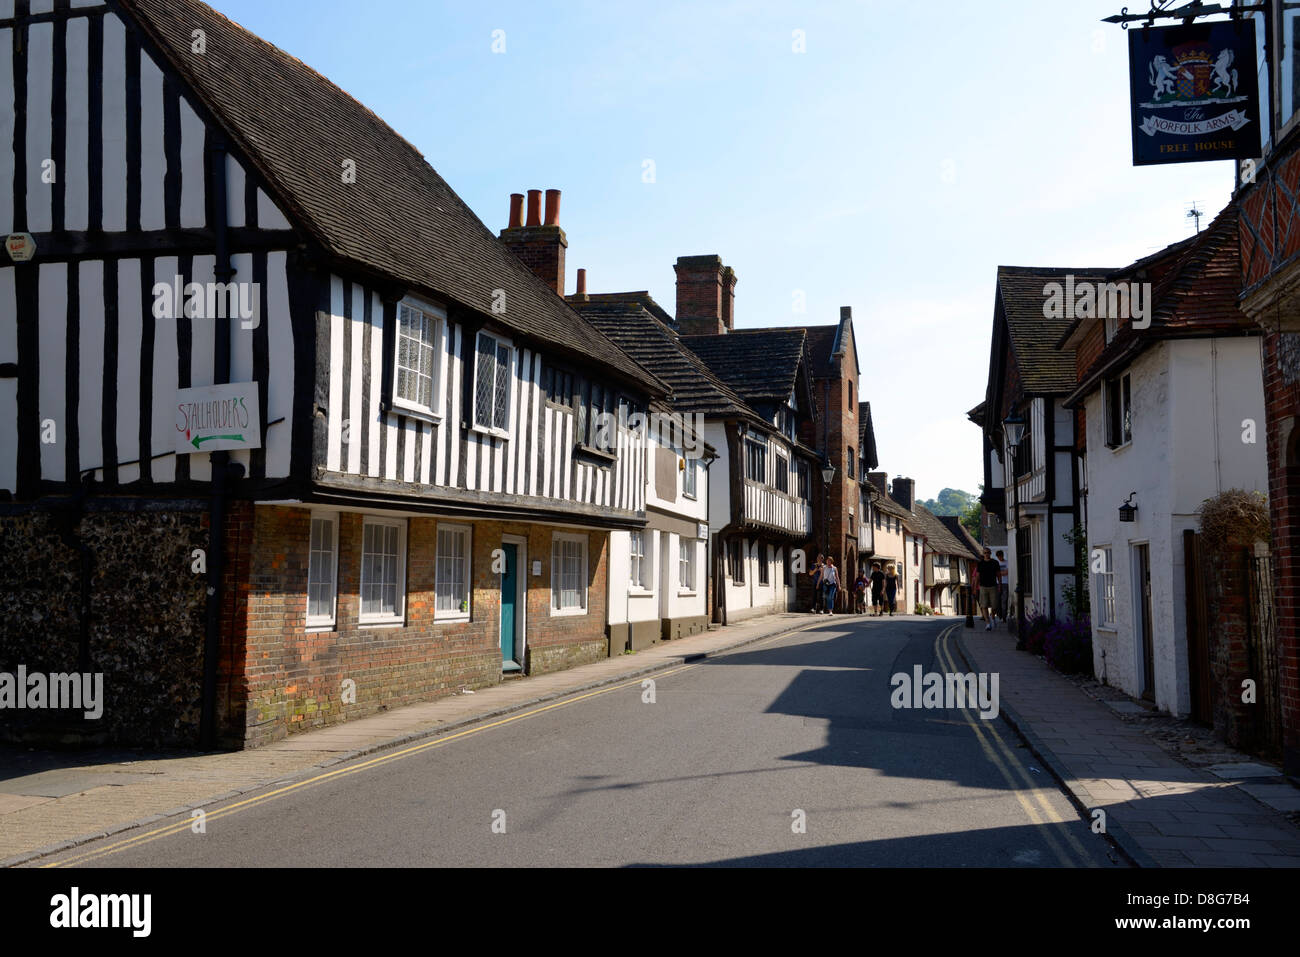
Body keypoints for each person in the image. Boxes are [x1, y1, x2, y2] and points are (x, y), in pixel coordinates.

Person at [976, 547, 1001, 631]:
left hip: (993, 586)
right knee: (984, 605)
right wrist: (975, 587)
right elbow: (977, 576)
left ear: (990, 553)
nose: (986, 554)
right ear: (983, 554)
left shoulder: (995, 563)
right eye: (985, 553)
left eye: (988, 552)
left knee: (995, 605)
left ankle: (993, 616)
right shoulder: (980, 563)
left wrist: (1000, 585)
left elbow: (998, 575)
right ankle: (987, 623)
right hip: (983, 586)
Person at [995, 550, 1009, 623]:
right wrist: (1001, 573)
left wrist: (999, 573)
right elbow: (995, 573)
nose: (1000, 558)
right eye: (998, 557)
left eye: (1001, 556)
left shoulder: (1007, 562)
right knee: (998, 600)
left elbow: (1007, 572)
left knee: (1004, 600)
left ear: (1003, 555)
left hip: (1005, 583)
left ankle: (1004, 616)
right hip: (997, 583)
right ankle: (999, 614)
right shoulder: (996, 563)